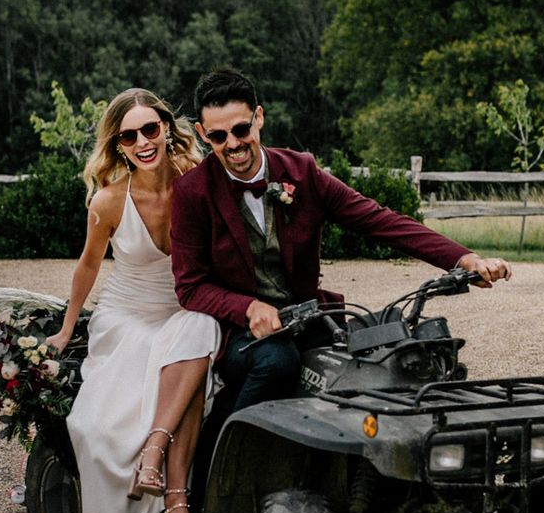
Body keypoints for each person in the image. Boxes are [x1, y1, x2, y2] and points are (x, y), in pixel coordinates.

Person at [170, 67, 512, 423]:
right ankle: (221, 462)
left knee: (381, 356)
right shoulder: (191, 193)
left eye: (241, 130)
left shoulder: (301, 171)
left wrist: (464, 259)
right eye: (218, 136)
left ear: (258, 117)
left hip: (310, 318)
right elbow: (191, 286)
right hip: (238, 332)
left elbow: (380, 221)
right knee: (278, 362)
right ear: (202, 134)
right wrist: (249, 308)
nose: (233, 144)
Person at [46, 88, 220, 513]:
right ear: (118, 145)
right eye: (129, 136)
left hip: (182, 307)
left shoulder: (197, 181)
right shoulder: (107, 202)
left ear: (166, 127)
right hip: (127, 316)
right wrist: (65, 329)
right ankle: (176, 507)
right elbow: (87, 267)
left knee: (202, 328)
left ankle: (155, 453)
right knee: (99, 427)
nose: (143, 141)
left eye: (150, 128)